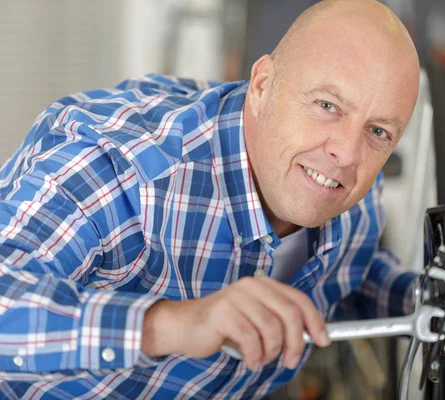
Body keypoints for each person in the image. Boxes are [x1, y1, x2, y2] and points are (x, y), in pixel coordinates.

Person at [0, 0, 421, 398]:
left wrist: (422, 300)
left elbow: (349, 269)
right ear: (262, 85)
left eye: (378, 131)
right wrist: (176, 324)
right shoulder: (120, 169)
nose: (347, 154)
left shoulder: (352, 199)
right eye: (327, 105)